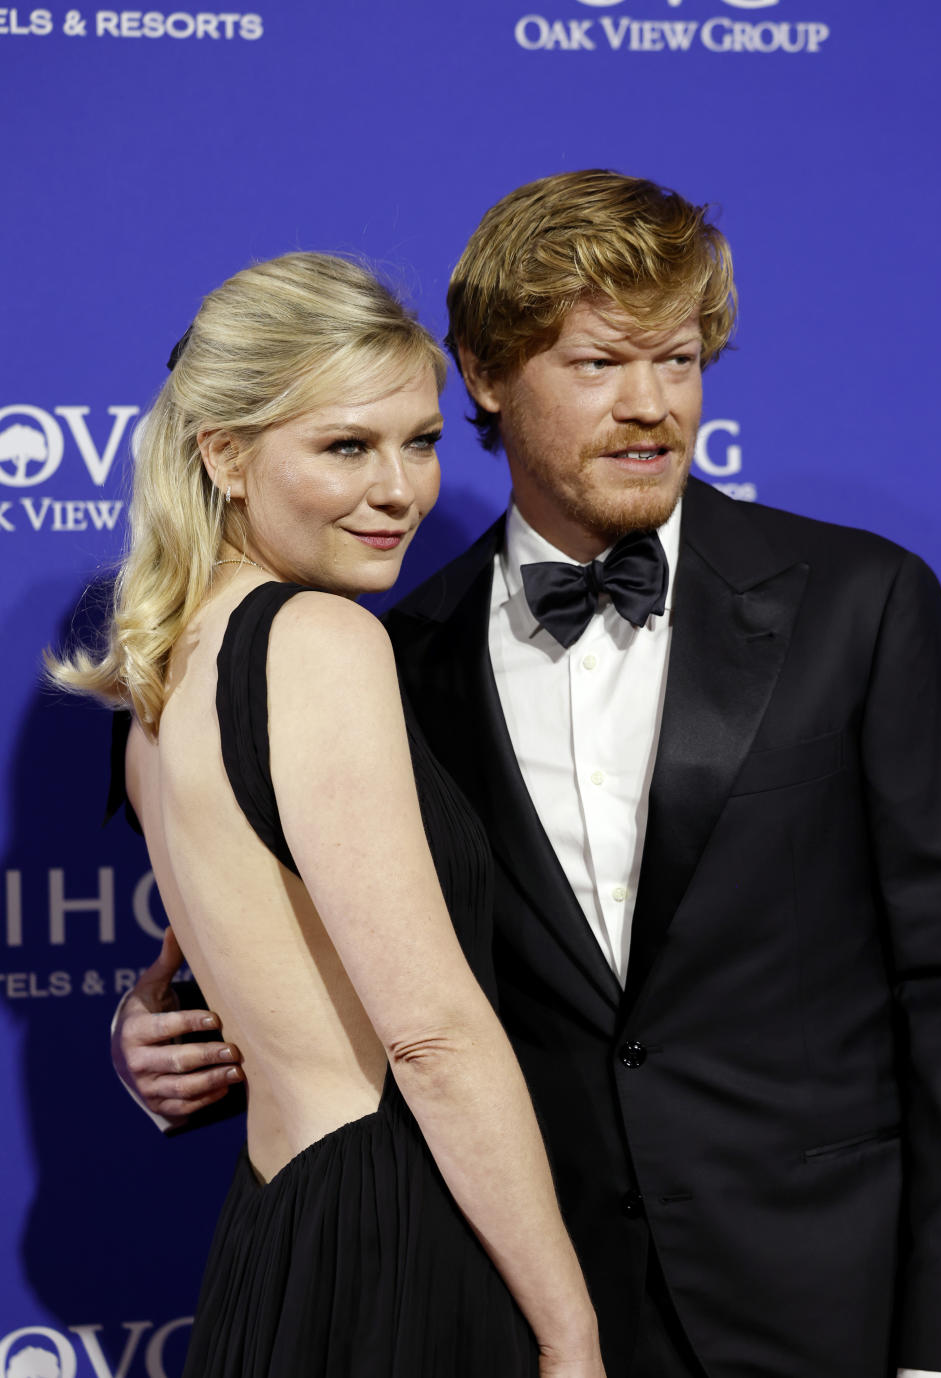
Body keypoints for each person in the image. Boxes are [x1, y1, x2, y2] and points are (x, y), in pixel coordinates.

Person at [113, 175, 941, 1378]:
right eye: (603, 362)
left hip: (829, 1300)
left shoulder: (862, 606)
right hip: (528, 1294)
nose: (652, 406)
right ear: (489, 375)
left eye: (679, 359)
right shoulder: (395, 653)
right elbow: (337, 973)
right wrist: (162, 1029)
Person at [51, 251, 606, 1378]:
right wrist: (570, 1332)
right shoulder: (318, 640)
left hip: (277, 1230)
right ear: (227, 454)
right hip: (401, 1225)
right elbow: (432, 1038)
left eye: (420, 439)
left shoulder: (163, 672)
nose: (400, 488)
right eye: (346, 445)